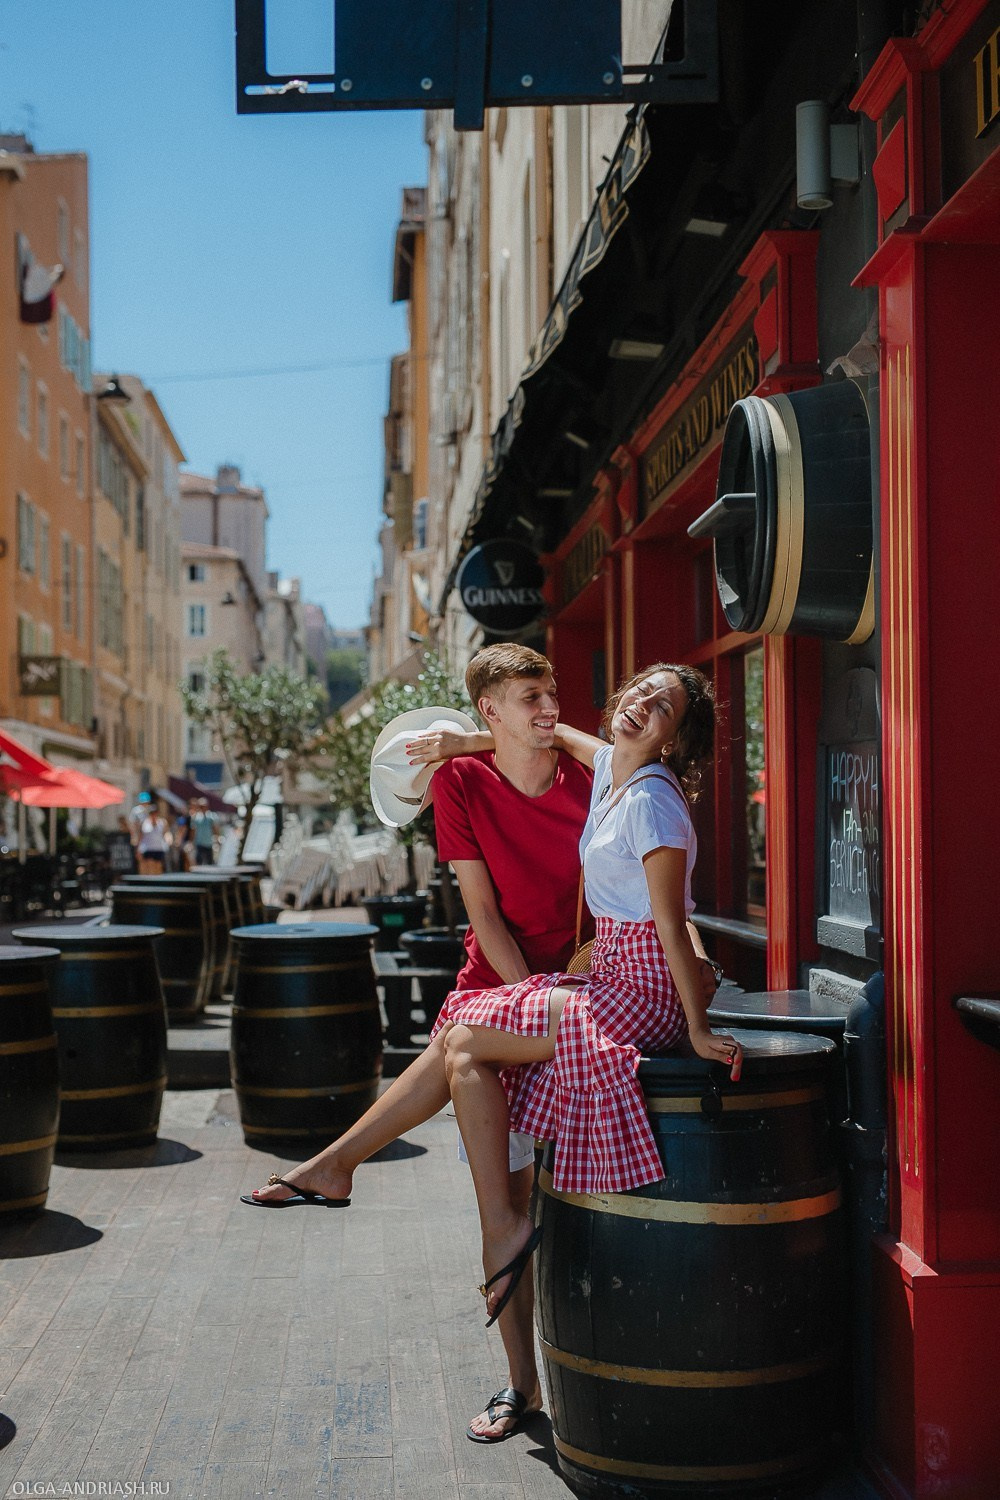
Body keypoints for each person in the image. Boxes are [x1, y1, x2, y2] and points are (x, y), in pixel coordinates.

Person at [241, 661, 739, 1437]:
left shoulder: (636, 791)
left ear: (677, 737)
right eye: (529, 702)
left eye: (551, 694)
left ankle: (337, 1165)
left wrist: (697, 1015)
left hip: (596, 996)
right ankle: (517, 1376)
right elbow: (489, 903)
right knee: (470, 1073)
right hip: (539, 997)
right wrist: (456, 742)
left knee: (465, 1043)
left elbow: (673, 919)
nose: (549, 711)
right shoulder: (589, 764)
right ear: (493, 712)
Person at [136, 799, 171, 874]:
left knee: (158, 867)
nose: (153, 815)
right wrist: (138, 849)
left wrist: (168, 839)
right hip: (148, 848)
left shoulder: (162, 822)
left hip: (159, 848)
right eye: (152, 813)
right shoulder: (144, 823)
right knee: (149, 866)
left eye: (155, 813)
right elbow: (140, 836)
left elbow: (166, 833)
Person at [191, 798, 217, 866]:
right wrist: (192, 841)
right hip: (199, 843)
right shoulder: (196, 817)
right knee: (199, 862)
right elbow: (193, 830)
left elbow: (214, 828)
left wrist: (217, 838)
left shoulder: (211, 816)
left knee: (210, 862)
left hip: (209, 843)